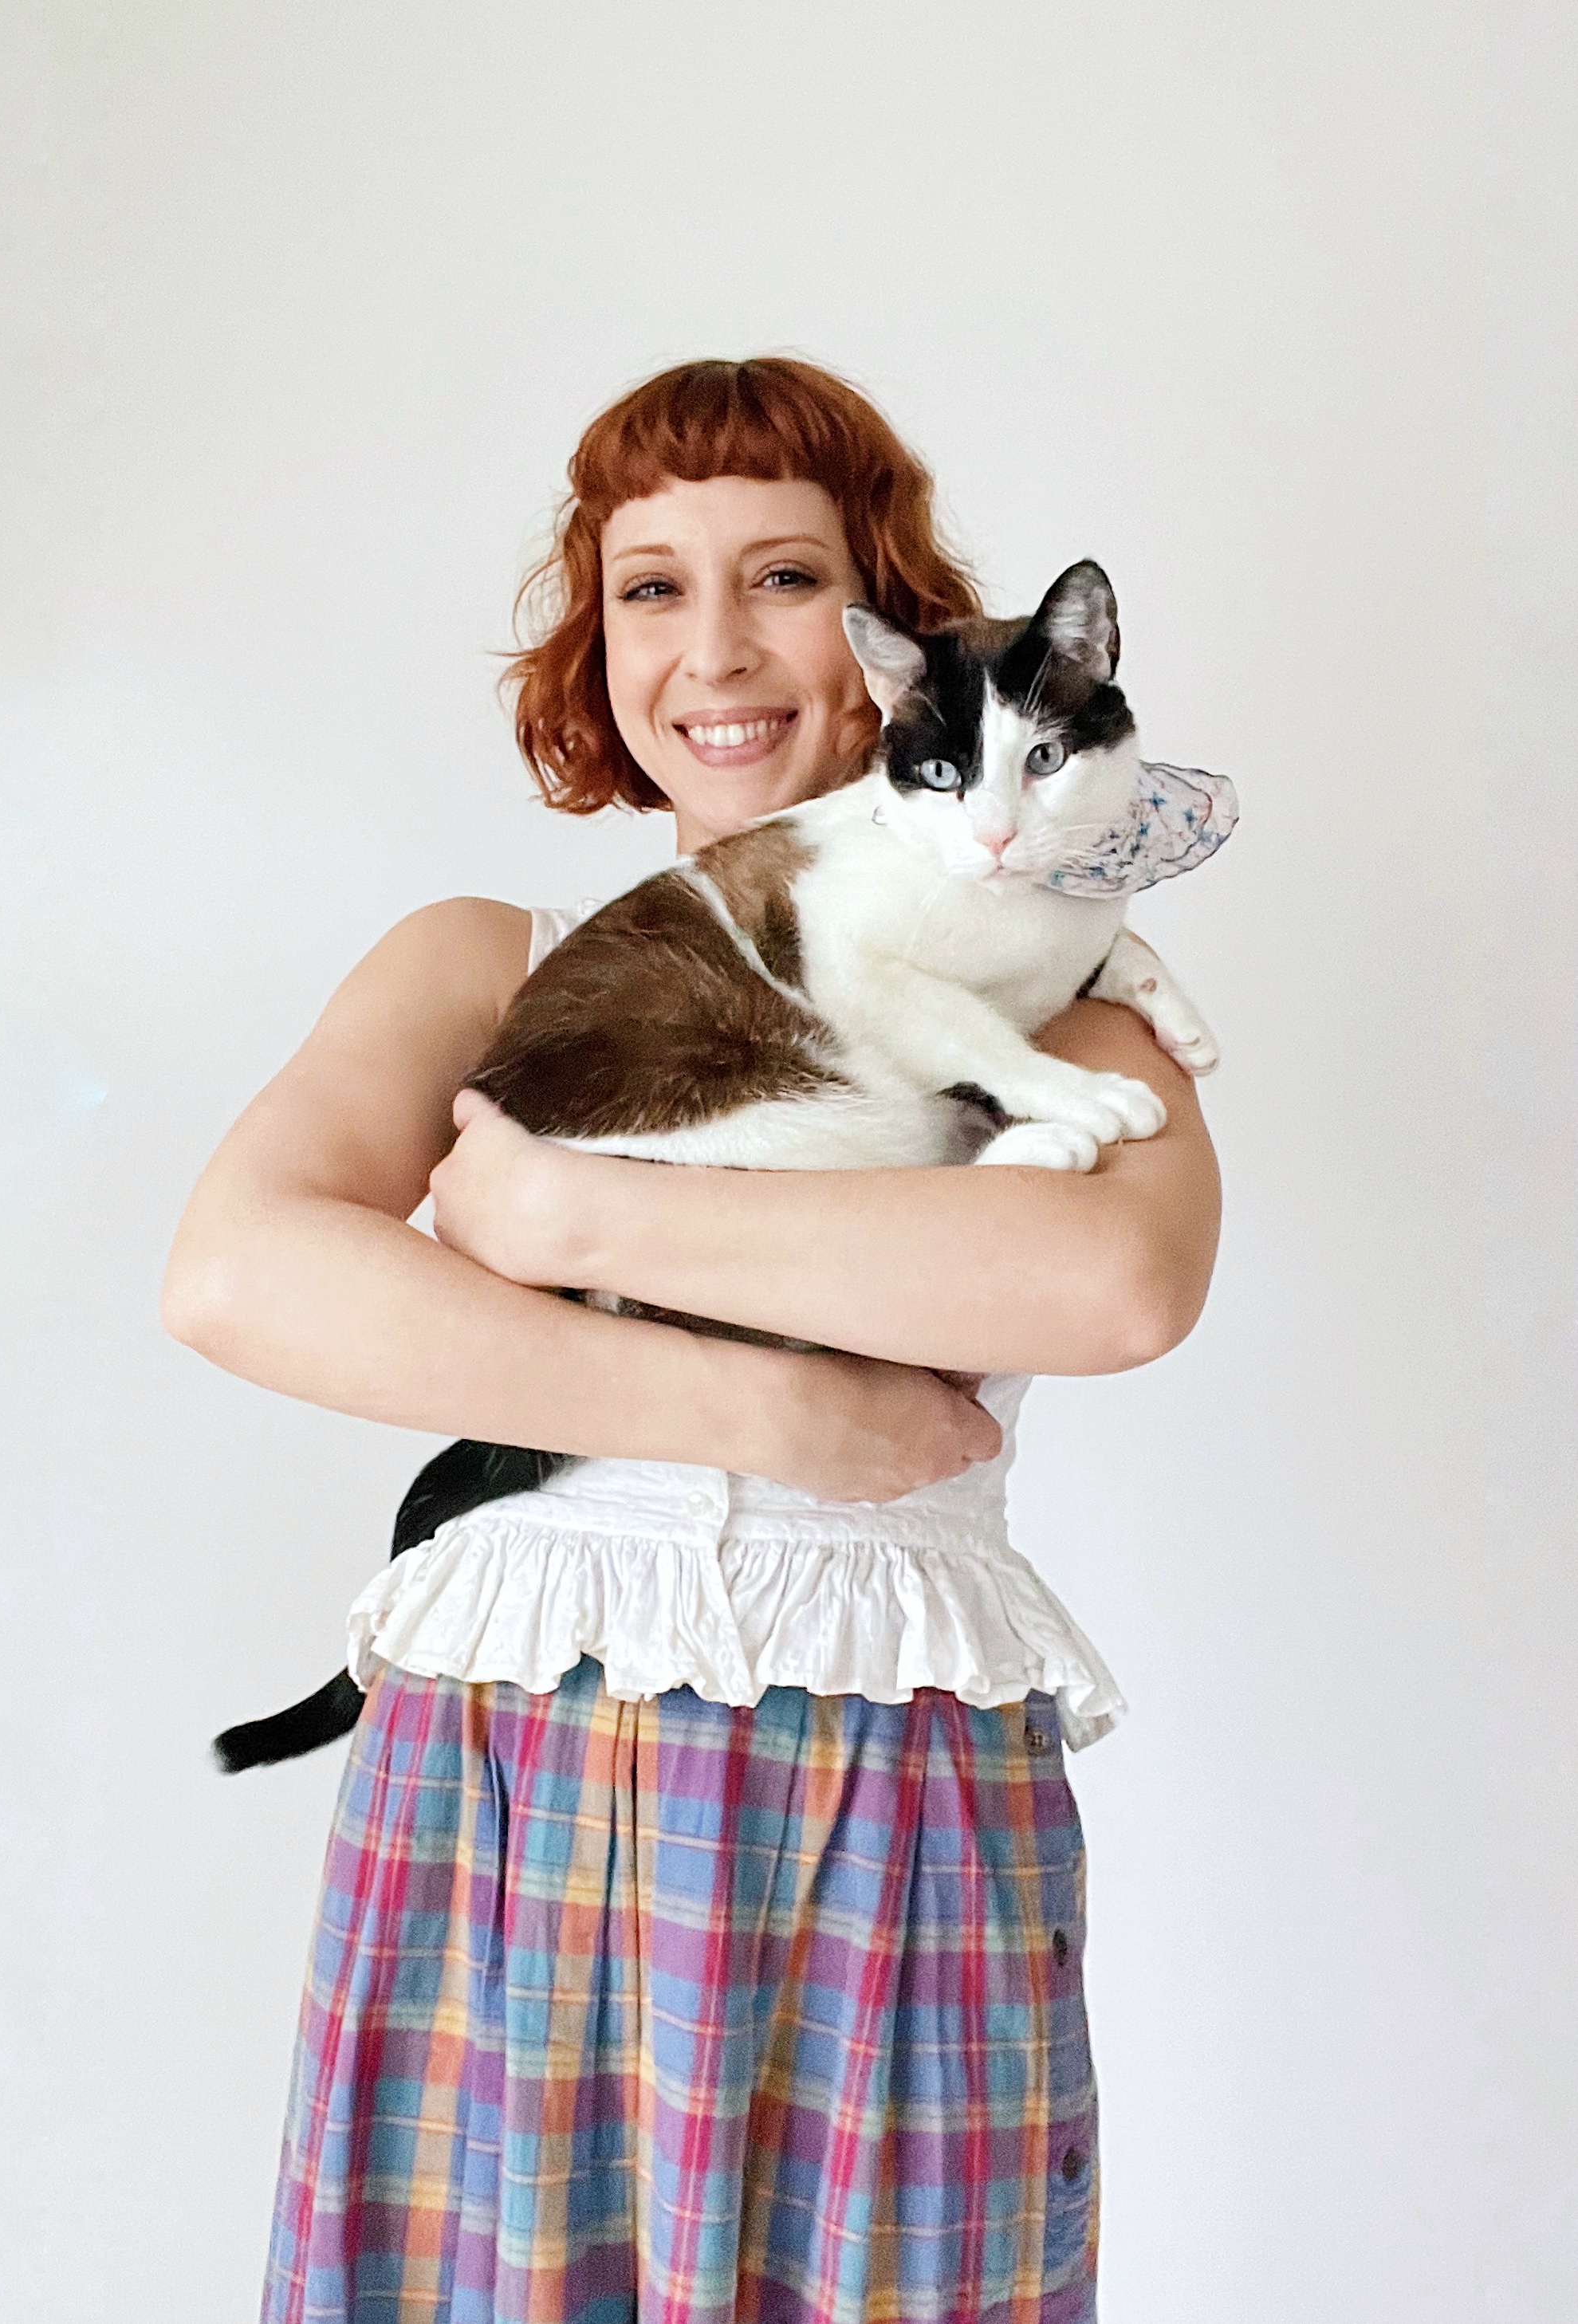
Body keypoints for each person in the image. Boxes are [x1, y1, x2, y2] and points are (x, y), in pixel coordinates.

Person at [163, 356, 1221, 2324]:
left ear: (895, 633)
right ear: (597, 638)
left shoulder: (1039, 974)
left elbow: (1113, 1285)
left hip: (873, 1801)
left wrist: (569, 1215)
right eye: (651, 587)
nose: (716, 649)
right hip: (502, 1777)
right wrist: (759, 1404)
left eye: (785, 576)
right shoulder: (488, 960)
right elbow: (239, 1271)